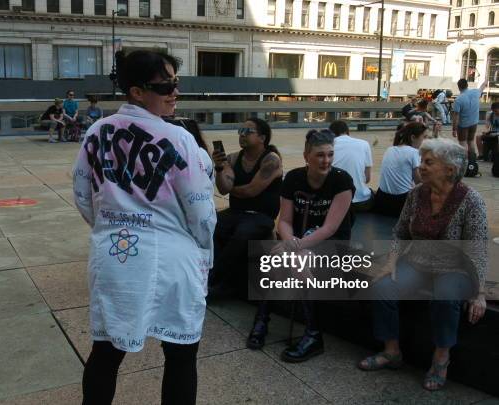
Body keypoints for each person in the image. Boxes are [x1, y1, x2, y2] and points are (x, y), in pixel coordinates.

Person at [73, 50, 216, 405]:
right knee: (181, 353)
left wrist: (109, 226)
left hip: (115, 255)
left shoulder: (96, 132)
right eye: (165, 85)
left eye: (175, 83)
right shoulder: (179, 139)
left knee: (106, 352)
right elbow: (201, 211)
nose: (174, 92)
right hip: (172, 259)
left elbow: (81, 194)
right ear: (136, 91)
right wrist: (202, 249)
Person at [358, 138, 488, 391]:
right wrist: (391, 262)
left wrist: (480, 292)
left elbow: (478, 249)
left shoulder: (471, 201)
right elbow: (399, 232)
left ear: (450, 169)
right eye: (422, 161)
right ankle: (392, 351)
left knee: (446, 296)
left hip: (455, 268)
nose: (421, 167)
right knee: (382, 287)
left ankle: (441, 359)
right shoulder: (417, 194)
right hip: (417, 262)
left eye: (428, 162)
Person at [247, 130, 355, 359]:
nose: (326, 160)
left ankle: (314, 334)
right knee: (275, 260)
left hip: (332, 243)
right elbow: (284, 221)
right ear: (307, 156)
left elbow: (330, 228)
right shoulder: (294, 178)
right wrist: (289, 241)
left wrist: (295, 247)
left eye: (330, 155)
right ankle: (262, 320)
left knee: (297, 262)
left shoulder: (341, 180)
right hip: (299, 241)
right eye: (319, 155)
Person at [210, 117, 283, 297]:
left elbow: (251, 191)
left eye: (247, 132)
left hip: (261, 215)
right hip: (237, 212)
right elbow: (223, 188)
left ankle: (217, 281)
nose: (242, 135)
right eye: (240, 131)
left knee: (242, 233)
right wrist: (220, 168)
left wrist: (231, 188)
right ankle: (212, 276)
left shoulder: (271, 160)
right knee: (210, 224)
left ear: (262, 138)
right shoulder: (233, 158)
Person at [375, 123, 425, 217]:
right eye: (424, 137)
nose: (424, 141)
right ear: (413, 137)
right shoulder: (414, 153)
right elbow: (419, 182)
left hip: (381, 201)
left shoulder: (389, 149)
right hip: (400, 204)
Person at [329, 120, 374, 212]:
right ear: (347, 131)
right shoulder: (364, 144)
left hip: (335, 205)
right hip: (361, 203)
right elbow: (367, 178)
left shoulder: (329, 146)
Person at [452, 78, 488, 158]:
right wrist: (485, 81)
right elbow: (482, 87)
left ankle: (464, 161)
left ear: (459, 87)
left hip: (463, 125)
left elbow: (456, 116)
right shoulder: (476, 92)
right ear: (467, 85)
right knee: (471, 141)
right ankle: (472, 160)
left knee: (462, 142)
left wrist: (454, 129)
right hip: (474, 123)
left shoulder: (458, 100)